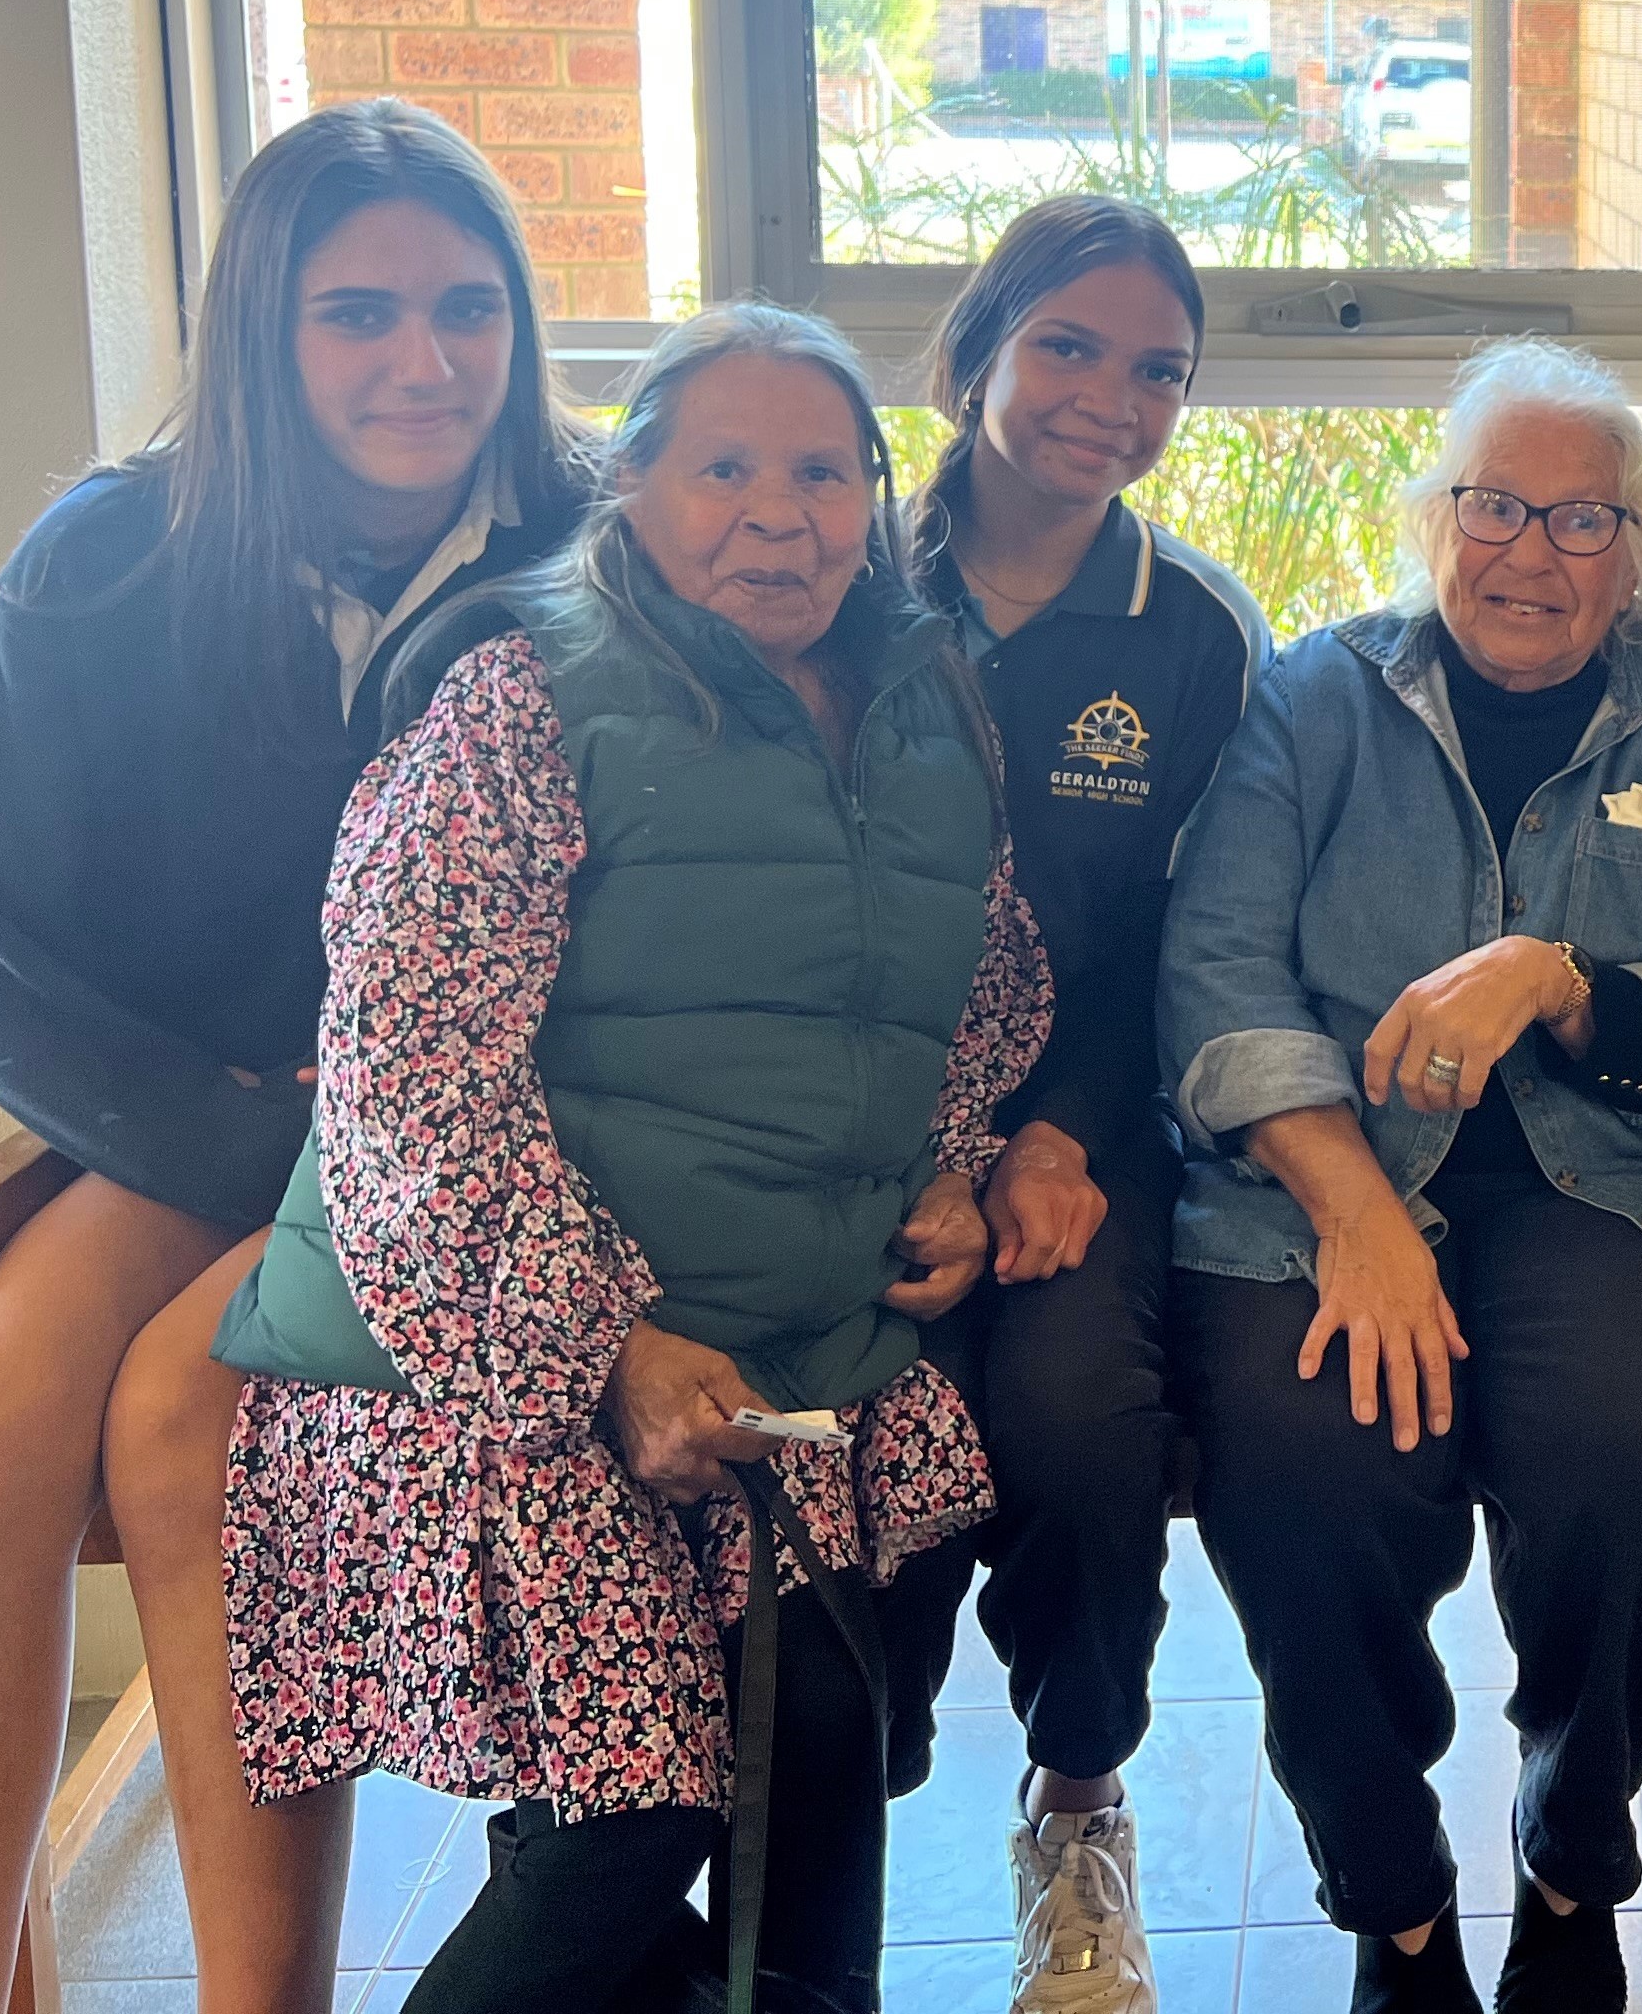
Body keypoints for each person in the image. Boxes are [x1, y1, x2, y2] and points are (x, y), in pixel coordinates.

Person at [208, 303, 1049, 2014]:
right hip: (478, 1375)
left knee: (831, 1727)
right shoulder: (523, 697)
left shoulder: (925, 703)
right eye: (721, 466)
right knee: (643, 1798)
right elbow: (405, 1082)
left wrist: (956, 1165)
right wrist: (600, 1349)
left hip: (786, 1359)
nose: (777, 511)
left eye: (822, 469)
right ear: (632, 493)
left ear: (878, 497)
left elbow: (983, 989)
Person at [0, 100, 593, 2014]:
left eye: (466, 309)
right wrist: (214, 1135)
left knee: (201, 1429)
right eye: (355, 314)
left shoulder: (601, 558)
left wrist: (382, 1152)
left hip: (477, 1139)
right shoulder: (101, 561)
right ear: (260, 333)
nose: (420, 362)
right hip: (190, 1130)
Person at [1156, 338, 1642, 2014]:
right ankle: (1399, 1900)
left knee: (1637, 1453)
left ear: (1639, 556)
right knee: (1303, 1464)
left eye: (1586, 522)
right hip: (1322, 1189)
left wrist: (1567, 976)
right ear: (1434, 518)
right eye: (1497, 505)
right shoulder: (1312, 696)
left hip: (1603, 1192)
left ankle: (1576, 1856)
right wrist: (1357, 1211)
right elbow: (1215, 976)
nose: (1533, 553)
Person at [892, 197, 1269, 2014]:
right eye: (1069, 347)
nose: (1110, 398)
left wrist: (1045, 1140)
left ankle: (1078, 1796)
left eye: (1159, 371)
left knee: (1071, 1415)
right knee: (838, 1412)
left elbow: (1187, 946)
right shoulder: (828, 571)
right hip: (846, 1136)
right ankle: (810, 1825)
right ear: (976, 353)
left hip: (1083, 1135)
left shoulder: (1190, 634)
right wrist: (925, 1160)